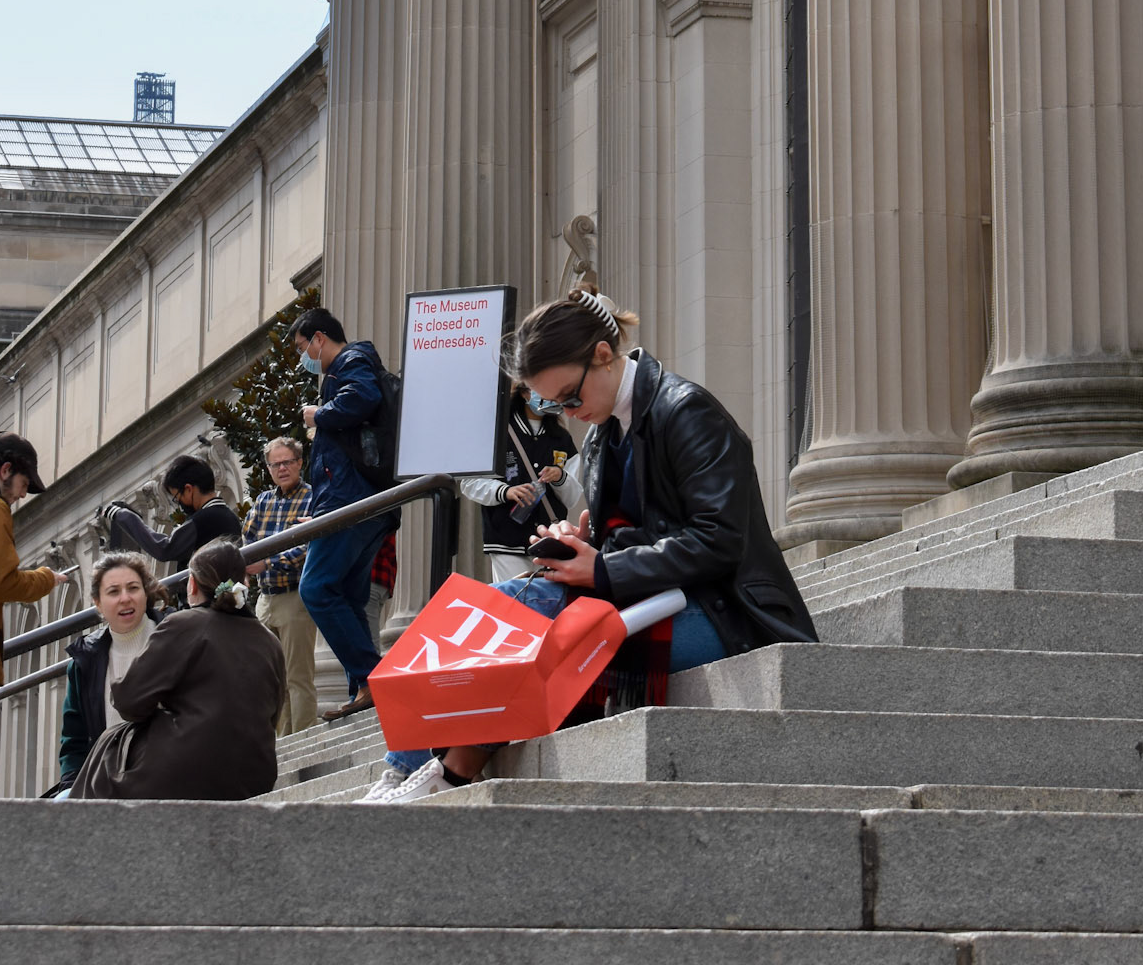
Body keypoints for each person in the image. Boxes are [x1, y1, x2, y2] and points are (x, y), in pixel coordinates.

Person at [360, 288, 816, 804]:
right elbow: (640, 533)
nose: (567, 413)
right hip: (656, 600)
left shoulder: (687, 411)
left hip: (725, 613)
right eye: (555, 404)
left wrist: (601, 569)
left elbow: (721, 540)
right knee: (506, 609)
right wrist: (580, 542)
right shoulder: (603, 434)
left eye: (570, 397)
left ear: (604, 354)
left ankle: (417, 771)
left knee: (518, 611)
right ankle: (442, 768)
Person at [70, 538, 284, 801]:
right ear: (245, 582)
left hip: (187, 770)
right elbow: (274, 713)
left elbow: (127, 701)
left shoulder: (185, 623)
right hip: (254, 777)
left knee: (111, 740)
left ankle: (75, 830)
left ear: (192, 584)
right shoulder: (269, 641)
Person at [292, 307, 398, 721]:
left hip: (351, 504)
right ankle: (365, 689)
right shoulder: (356, 364)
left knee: (316, 588)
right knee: (350, 596)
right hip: (366, 504)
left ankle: (374, 677)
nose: (305, 358)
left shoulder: (350, 362)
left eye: (304, 348)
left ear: (319, 338)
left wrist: (320, 414)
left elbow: (363, 398)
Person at [0, 431, 71, 797]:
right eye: (24, 483)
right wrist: (45, 579)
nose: (22, 495)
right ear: (5, 470)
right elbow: (0, 581)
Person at [55, 552, 166, 795]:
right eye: (114, 592)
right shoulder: (84, 660)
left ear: (145, 593)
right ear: (97, 602)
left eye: (133, 588)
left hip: (169, 772)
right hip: (108, 780)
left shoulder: (175, 635)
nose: (125, 598)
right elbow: (74, 740)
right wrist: (70, 787)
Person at [461, 385, 584, 583]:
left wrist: (560, 477)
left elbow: (572, 497)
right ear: (525, 392)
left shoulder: (562, 439)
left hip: (549, 538)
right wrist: (505, 491)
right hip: (506, 538)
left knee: (546, 605)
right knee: (515, 603)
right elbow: (469, 482)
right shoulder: (497, 432)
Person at [242, 435, 318, 734]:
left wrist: (268, 561)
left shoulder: (313, 497)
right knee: (273, 680)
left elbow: (310, 544)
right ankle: (280, 744)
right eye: (275, 464)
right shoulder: (263, 501)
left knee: (298, 677)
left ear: (300, 463)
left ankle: (303, 741)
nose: (282, 468)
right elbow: (248, 541)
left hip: (294, 596)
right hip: (265, 598)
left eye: (287, 462)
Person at [104, 455, 243, 596]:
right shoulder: (229, 517)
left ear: (189, 489)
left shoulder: (203, 519)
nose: (180, 504)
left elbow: (165, 548)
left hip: (208, 601)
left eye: (177, 497)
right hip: (228, 595)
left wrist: (123, 516)